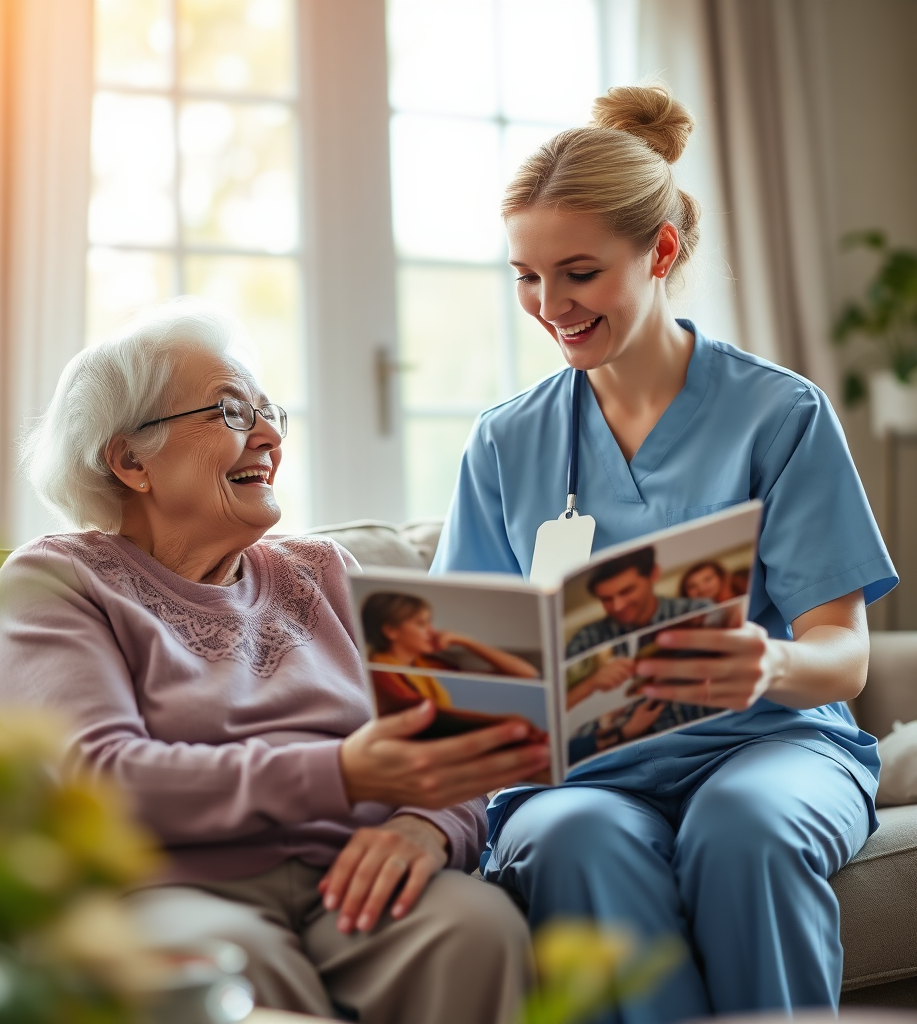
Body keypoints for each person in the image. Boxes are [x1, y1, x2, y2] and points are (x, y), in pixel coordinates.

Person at [431, 84, 896, 1022]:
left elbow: (844, 655)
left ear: (661, 251)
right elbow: (462, 670)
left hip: (770, 746)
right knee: (571, 840)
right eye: (526, 275)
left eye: (578, 273)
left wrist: (769, 663)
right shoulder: (505, 442)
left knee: (746, 829)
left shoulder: (780, 414)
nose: (549, 305)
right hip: (584, 779)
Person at [0, 301, 548, 1024]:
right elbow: (100, 776)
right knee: (229, 966)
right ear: (131, 460)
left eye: (270, 412)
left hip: (354, 872)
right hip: (173, 889)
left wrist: (426, 827)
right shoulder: (59, 580)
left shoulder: (326, 570)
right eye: (232, 412)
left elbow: (446, 744)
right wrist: (340, 773)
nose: (272, 436)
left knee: (474, 928)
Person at [360, 591, 546, 745]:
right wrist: (505, 721)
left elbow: (528, 675)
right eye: (421, 624)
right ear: (390, 631)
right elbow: (430, 714)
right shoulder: (379, 669)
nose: (432, 632)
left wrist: (467, 641)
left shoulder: (426, 666)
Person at [566, 546, 710, 656]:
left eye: (626, 591)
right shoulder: (587, 638)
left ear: (653, 574)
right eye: (606, 599)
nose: (618, 607)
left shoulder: (699, 612)